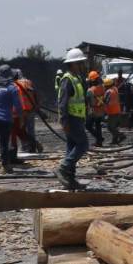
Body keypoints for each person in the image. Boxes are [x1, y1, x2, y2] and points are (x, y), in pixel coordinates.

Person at [57, 48, 90, 189]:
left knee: (71, 148)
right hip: (71, 119)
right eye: (80, 63)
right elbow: (62, 103)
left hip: (77, 118)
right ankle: (63, 168)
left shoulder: (77, 78)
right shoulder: (67, 80)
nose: (82, 65)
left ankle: (70, 179)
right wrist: (64, 121)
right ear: (72, 64)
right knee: (83, 145)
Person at [12, 69, 41, 154]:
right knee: (30, 129)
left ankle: (25, 147)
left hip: (22, 111)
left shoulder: (14, 84)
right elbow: (35, 93)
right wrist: (37, 105)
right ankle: (33, 148)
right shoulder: (28, 82)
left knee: (21, 130)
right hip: (31, 109)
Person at [86, 71, 106, 147]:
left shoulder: (90, 90)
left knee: (88, 125)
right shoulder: (102, 87)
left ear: (91, 81)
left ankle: (99, 138)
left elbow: (89, 102)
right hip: (101, 110)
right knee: (98, 126)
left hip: (93, 111)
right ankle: (99, 142)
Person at [104, 75, 126, 144]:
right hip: (117, 110)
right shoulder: (115, 89)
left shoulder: (108, 92)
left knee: (110, 127)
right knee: (114, 126)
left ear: (107, 85)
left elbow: (105, 101)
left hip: (112, 112)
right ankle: (115, 140)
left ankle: (121, 135)